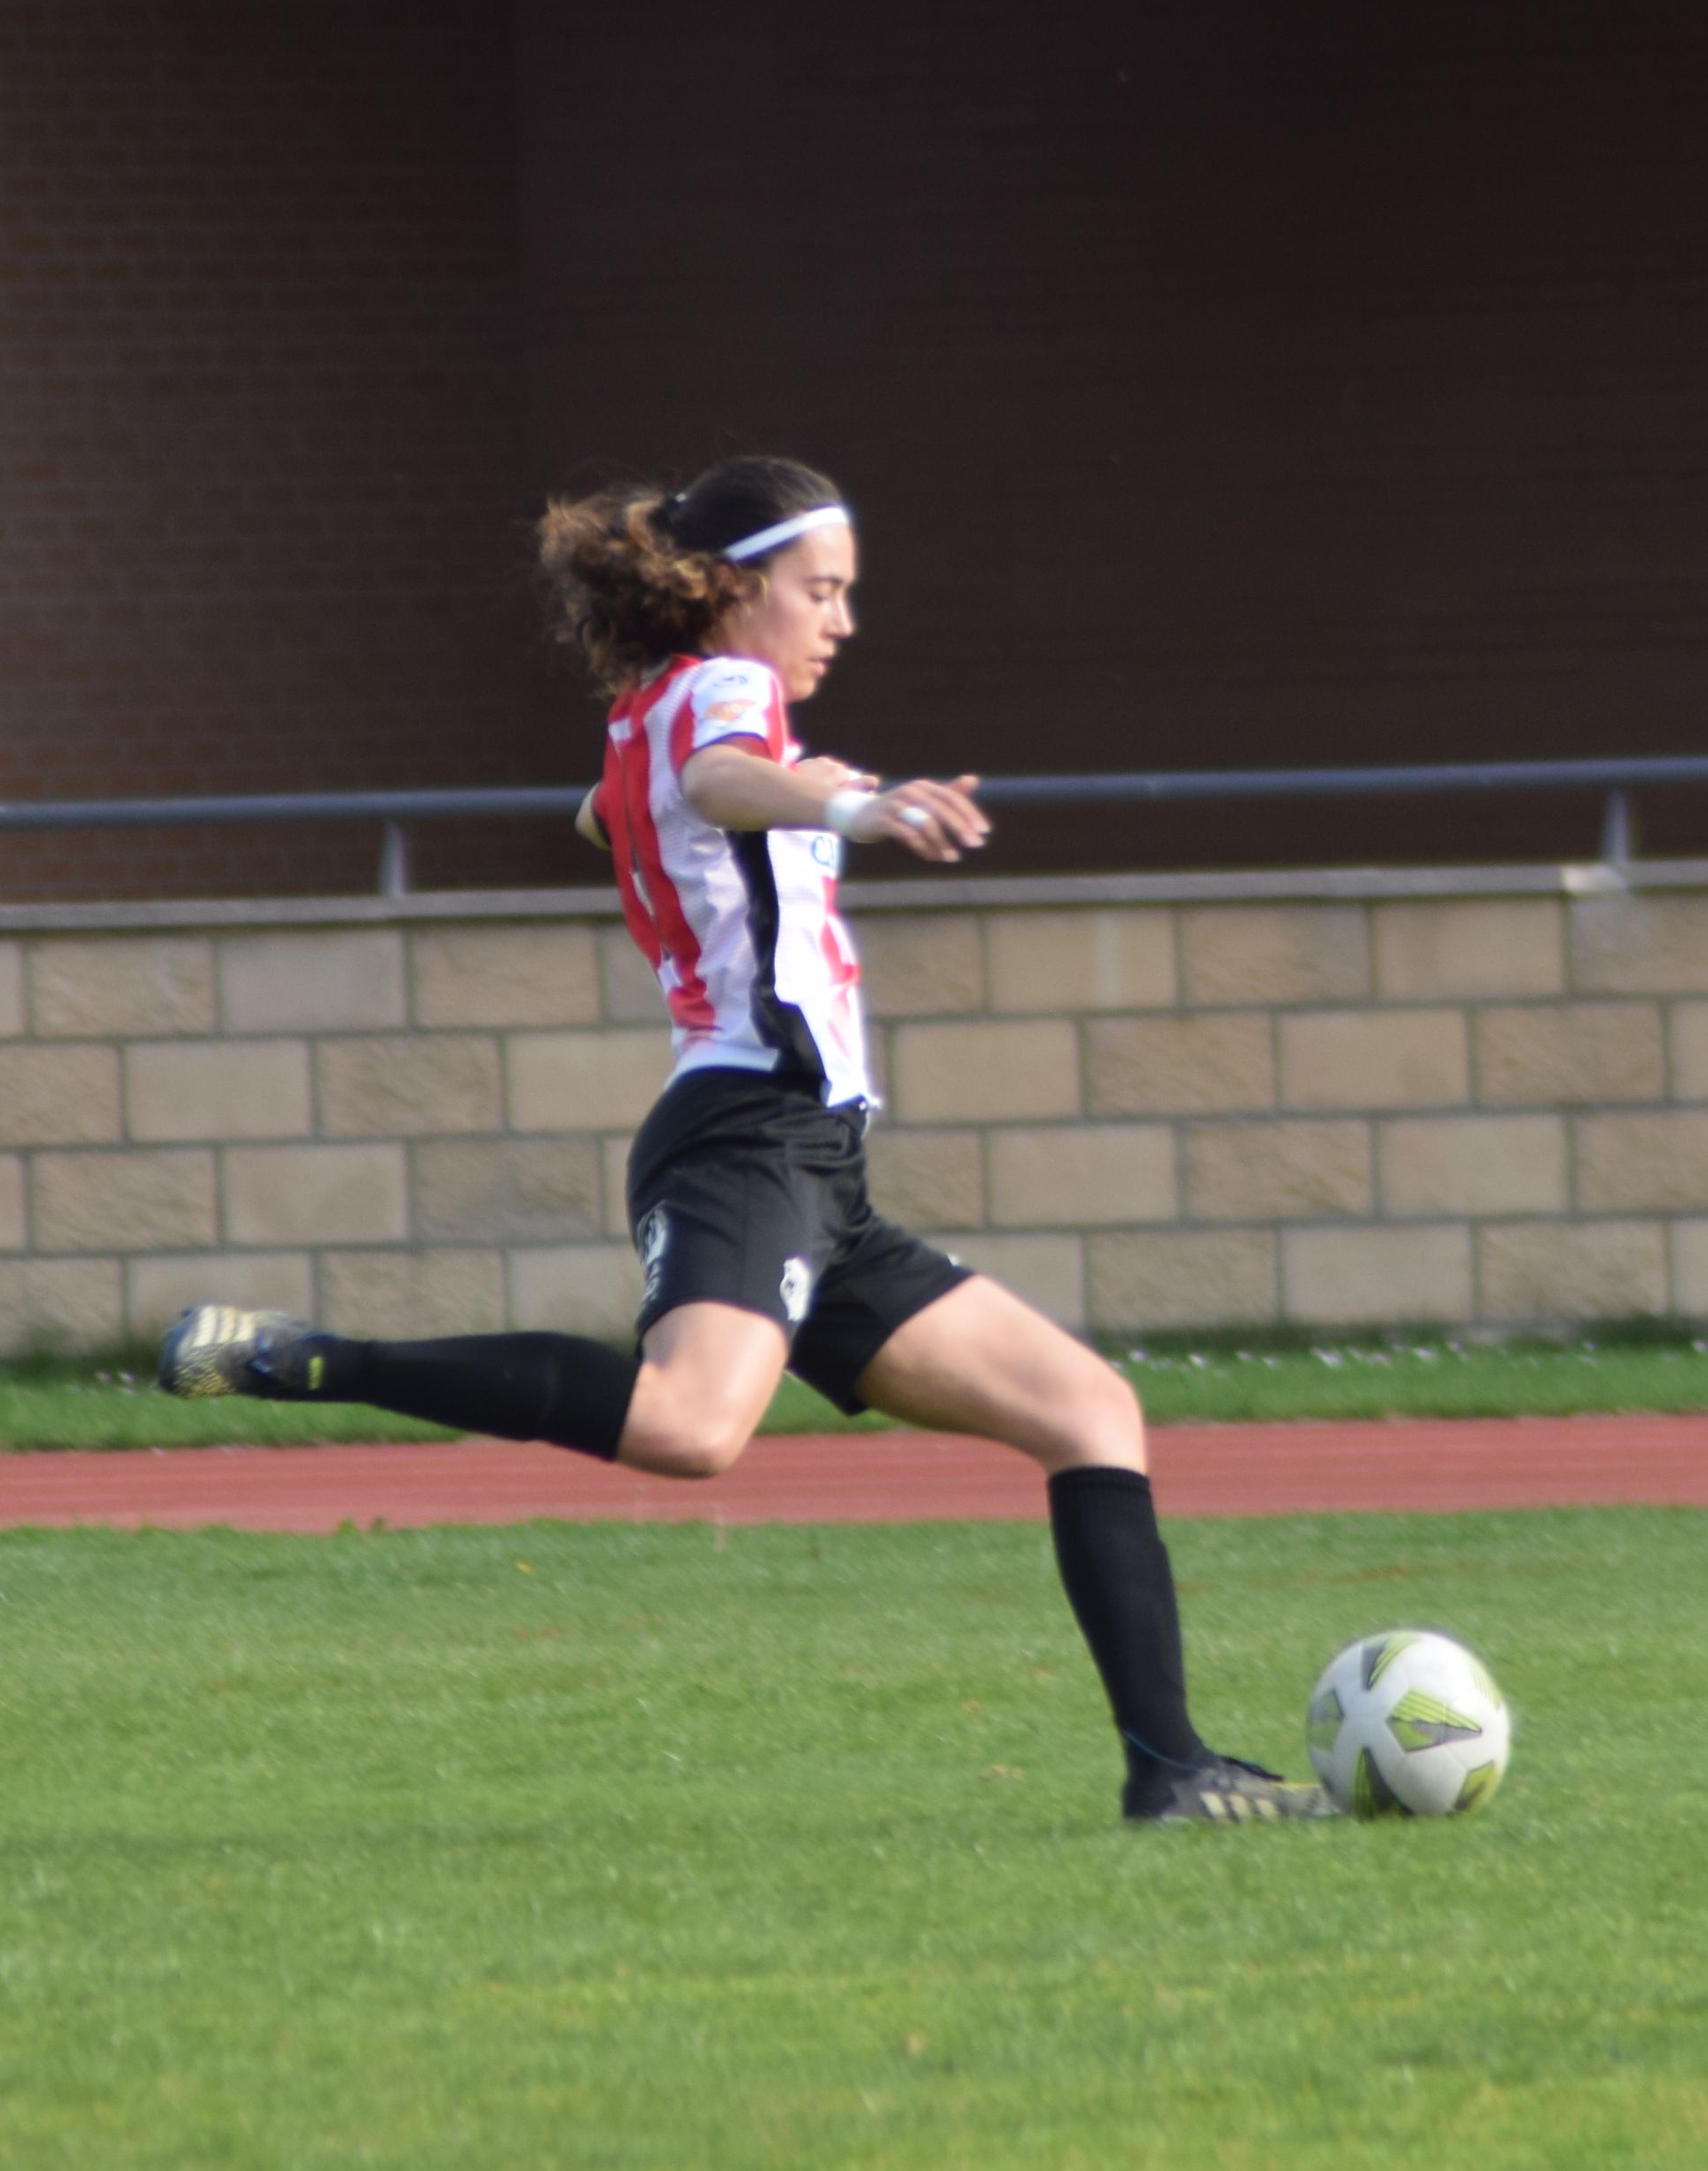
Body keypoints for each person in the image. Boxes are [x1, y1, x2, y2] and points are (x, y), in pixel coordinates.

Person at [158, 454, 1323, 1824]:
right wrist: (841, 806)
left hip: (816, 1167)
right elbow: (713, 781)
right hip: (747, 1136)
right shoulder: (725, 693)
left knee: (1089, 1413)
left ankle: (1173, 1772)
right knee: (688, 1428)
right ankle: (316, 1361)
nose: (841, 621)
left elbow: (613, 807)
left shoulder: (647, 709)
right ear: (733, 588)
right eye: (820, 591)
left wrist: (730, 798)